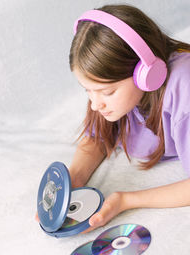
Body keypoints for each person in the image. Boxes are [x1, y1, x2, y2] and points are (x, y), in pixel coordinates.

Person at [67, 4, 190, 233]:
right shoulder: (110, 96)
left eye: (107, 92)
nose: (95, 104)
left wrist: (126, 201)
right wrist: (72, 181)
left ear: (147, 75)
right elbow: (97, 137)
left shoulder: (185, 88)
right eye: (87, 90)